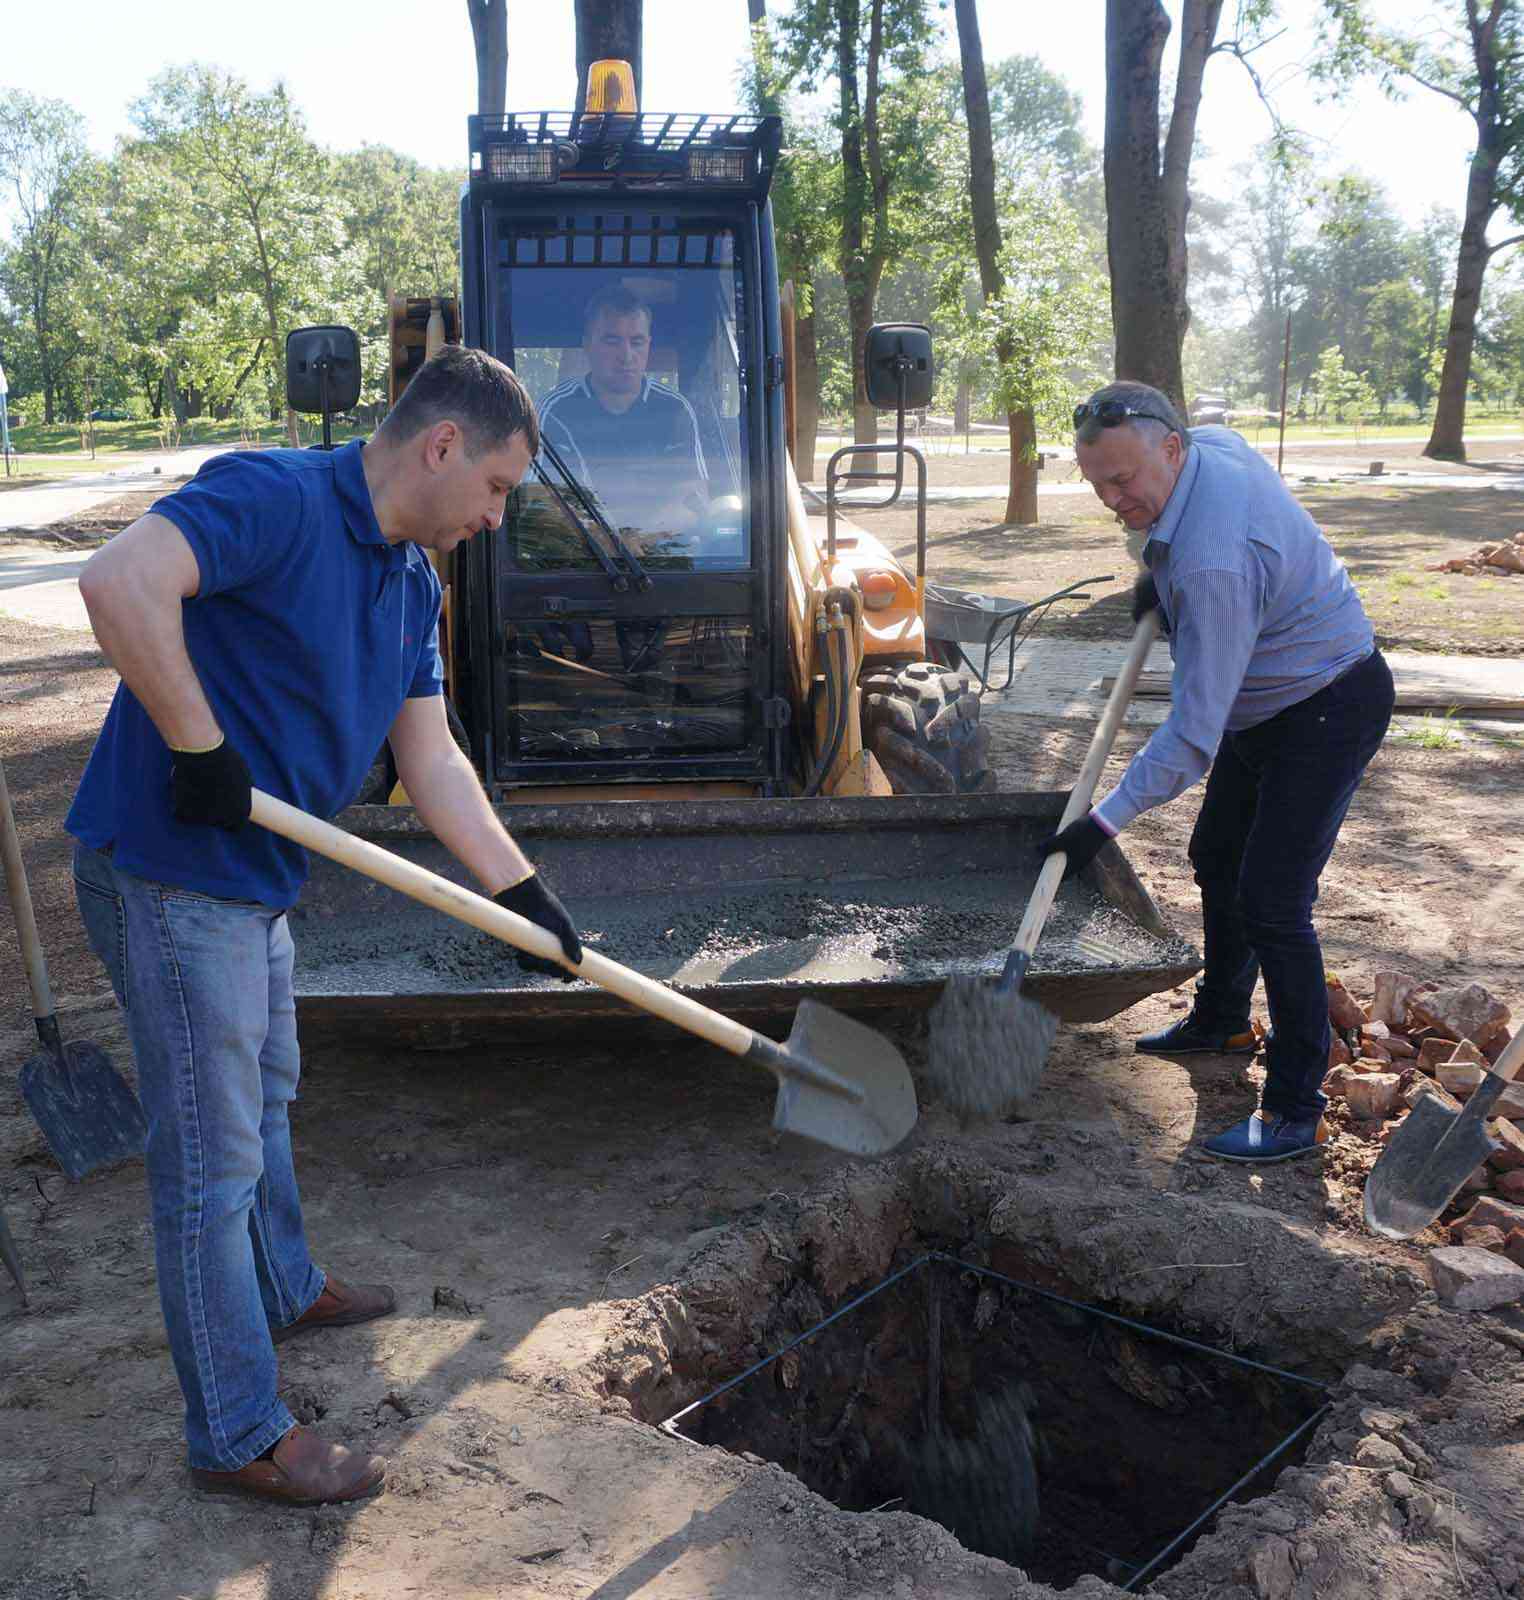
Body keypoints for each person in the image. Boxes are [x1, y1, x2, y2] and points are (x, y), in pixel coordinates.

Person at [65, 346, 585, 1506]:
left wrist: (518, 890)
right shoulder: (275, 499)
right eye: (498, 489)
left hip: (257, 875)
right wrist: (198, 747)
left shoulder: (414, 583)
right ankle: (240, 1429)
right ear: (443, 444)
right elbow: (117, 581)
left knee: (274, 1088)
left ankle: (283, 1282)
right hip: (166, 868)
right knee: (212, 1157)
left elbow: (430, 754)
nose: (498, 519)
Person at [1042, 380, 1394, 1164]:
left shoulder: (1212, 567)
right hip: (1263, 703)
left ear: (1172, 448)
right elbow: (1216, 459)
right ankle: (1223, 1020)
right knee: (1215, 859)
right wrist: (1152, 574)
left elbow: (1191, 737)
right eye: (1096, 481)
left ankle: (1297, 1109)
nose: (1110, 498)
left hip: (1327, 703)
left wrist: (1098, 825)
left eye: (1124, 480)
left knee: (1273, 899)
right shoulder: (1213, 447)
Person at [537, 283, 709, 541]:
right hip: (580, 559)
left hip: (662, 557)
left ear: (649, 345)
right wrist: (607, 542)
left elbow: (694, 499)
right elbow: (540, 501)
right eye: (612, 341)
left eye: (636, 341)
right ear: (587, 345)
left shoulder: (675, 410)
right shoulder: (554, 411)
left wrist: (640, 540)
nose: (626, 355)